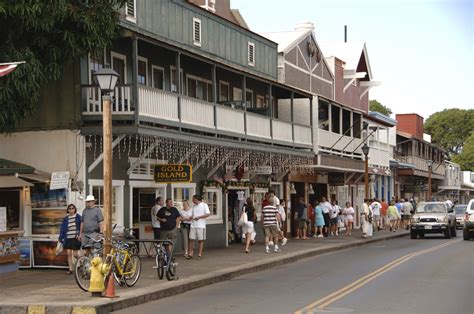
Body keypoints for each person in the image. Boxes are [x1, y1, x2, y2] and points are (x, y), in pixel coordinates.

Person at [59, 204, 81, 274]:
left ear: (75, 209)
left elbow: (81, 227)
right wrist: (60, 237)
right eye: (70, 208)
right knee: (68, 254)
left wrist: (79, 234)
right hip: (68, 237)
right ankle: (70, 269)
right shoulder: (66, 219)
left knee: (75, 254)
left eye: (72, 208)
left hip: (75, 238)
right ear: (68, 210)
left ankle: (81, 262)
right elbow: (62, 229)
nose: (71, 209)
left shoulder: (78, 217)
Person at [187, 195, 211, 260]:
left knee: (200, 240)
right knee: (191, 239)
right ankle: (190, 253)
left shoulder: (204, 205)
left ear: (197, 199)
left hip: (201, 225)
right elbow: (192, 215)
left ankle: (199, 254)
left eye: (193, 199)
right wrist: (190, 217)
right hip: (193, 225)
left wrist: (199, 217)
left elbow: (208, 214)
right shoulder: (194, 206)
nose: (192, 200)